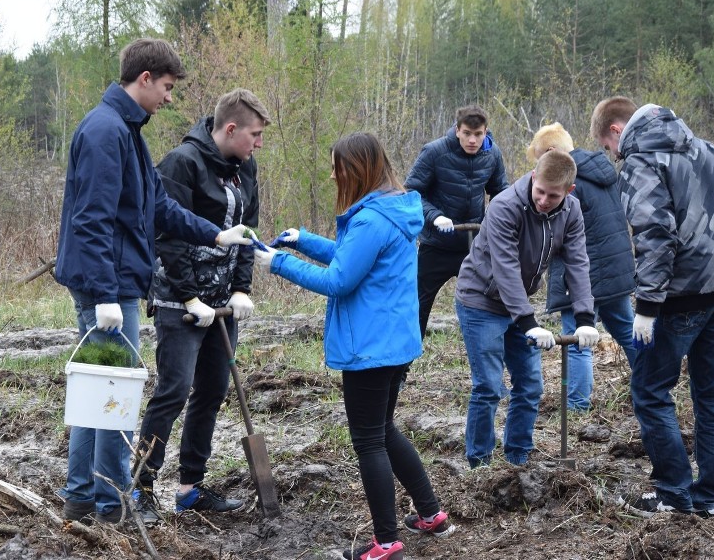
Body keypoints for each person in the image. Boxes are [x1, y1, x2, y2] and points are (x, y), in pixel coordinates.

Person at [54, 38, 255, 525]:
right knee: (114, 397)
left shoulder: (128, 132)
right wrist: (104, 294)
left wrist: (217, 233)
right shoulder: (106, 131)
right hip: (111, 284)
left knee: (94, 393)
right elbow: (93, 219)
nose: (169, 98)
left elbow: (159, 209)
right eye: (166, 87)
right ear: (144, 79)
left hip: (117, 279)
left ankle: (81, 496)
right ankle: (112, 504)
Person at [254, 133, 455, 560]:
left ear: (358, 169)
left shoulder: (370, 219)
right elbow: (351, 258)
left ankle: (385, 543)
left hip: (369, 346)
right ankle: (431, 515)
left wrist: (278, 263)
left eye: (337, 167)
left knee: (368, 441)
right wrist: (302, 240)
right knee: (383, 430)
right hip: (393, 341)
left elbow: (338, 280)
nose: (332, 174)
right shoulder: (393, 208)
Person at [591, 97, 714, 518]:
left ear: (616, 130)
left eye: (610, 149)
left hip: (678, 298)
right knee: (712, 394)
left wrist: (647, 305)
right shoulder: (711, 150)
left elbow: (654, 235)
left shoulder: (642, 162)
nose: (615, 157)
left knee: (649, 392)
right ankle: (709, 499)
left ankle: (674, 493)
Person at [133, 88, 271, 521]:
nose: (258, 144)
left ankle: (190, 486)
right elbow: (167, 236)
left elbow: (247, 232)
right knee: (173, 390)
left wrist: (242, 289)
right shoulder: (182, 163)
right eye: (254, 134)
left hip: (222, 303)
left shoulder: (246, 169)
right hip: (179, 299)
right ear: (230, 129)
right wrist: (190, 296)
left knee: (212, 390)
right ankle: (140, 486)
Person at [455, 150, 599, 469]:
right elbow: (505, 268)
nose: (545, 200)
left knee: (531, 383)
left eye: (554, 195)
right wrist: (528, 322)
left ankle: (517, 457)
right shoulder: (505, 206)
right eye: (540, 191)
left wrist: (585, 318)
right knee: (490, 386)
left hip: (516, 308)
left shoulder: (571, 211)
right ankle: (479, 464)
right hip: (480, 301)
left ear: (569, 192)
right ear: (533, 177)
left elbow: (577, 263)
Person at [527, 122, 637, 411]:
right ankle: (653, 387)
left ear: (551, 152)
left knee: (578, 342)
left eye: (541, 160)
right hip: (615, 270)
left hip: (584, 276)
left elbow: (557, 234)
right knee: (628, 333)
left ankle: (576, 406)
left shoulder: (567, 186)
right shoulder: (603, 171)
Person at [403, 105, 508, 384]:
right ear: (457, 129)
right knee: (417, 308)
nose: (472, 140)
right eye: (466, 134)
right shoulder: (435, 152)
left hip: (473, 247)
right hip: (436, 245)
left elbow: (501, 193)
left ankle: (489, 379)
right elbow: (412, 191)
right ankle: (398, 373)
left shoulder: (492, 154)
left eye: (478, 134)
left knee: (485, 310)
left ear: (485, 132)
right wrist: (434, 216)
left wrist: (499, 224)